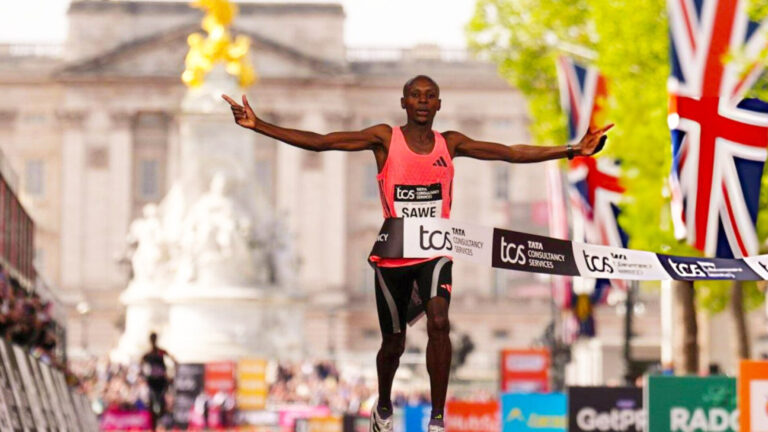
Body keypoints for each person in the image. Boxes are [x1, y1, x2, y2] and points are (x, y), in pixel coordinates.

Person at [222, 75, 611, 432]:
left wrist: (573, 149)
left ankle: (437, 418)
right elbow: (322, 141)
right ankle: (384, 404)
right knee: (393, 343)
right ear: (404, 102)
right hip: (393, 253)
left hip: (435, 250)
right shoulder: (384, 139)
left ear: (439, 104)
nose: (423, 101)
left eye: (430, 96)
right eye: (415, 95)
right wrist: (260, 126)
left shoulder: (450, 143)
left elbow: (509, 152)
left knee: (439, 323)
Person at [140, 332, 177, 431]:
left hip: (161, 381)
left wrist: (171, 374)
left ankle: (161, 421)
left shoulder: (160, 352)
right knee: (152, 402)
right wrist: (144, 375)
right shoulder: (148, 354)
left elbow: (174, 360)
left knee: (161, 401)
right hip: (152, 381)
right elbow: (141, 363)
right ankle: (154, 425)